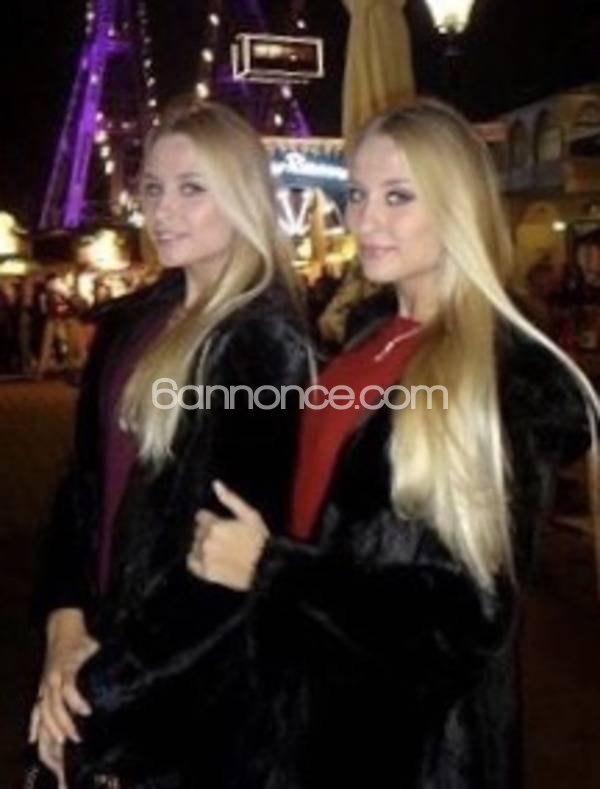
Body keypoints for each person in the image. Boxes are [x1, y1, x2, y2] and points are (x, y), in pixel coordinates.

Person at [186, 99, 599, 789]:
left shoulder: (496, 376)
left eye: (398, 197)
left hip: (413, 752)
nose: (364, 219)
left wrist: (271, 569)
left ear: (458, 206)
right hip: (307, 716)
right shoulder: (367, 340)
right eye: (357, 194)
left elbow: (463, 622)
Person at [28, 98, 309, 788]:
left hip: (191, 702)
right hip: (100, 646)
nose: (163, 210)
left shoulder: (263, 346)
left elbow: (224, 565)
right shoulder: (133, 325)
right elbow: (84, 484)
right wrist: (64, 624)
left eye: (191, 188)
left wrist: (99, 691)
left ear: (241, 196)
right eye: (153, 187)